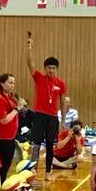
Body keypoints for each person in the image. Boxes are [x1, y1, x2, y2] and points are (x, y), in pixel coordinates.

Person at [26, 35, 67, 177]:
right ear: (45, 68)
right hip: (39, 115)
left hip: (53, 117)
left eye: (54, 68)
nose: (51, 70)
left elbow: (62, 102)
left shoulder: (60, 83)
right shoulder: (39, 78)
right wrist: (29, 46)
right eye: (49, 68)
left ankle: (48, 171)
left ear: (57, 69)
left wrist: (63, 119)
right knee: (36, 144)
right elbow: (29, 62)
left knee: (50, 145)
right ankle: (33, 169)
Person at [0, 73, 23, 182]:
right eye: (10, 83)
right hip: (2, 139)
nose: (12, 85)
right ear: (2, 84)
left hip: (10, 138)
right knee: (1, 168)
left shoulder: (10, 97)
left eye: (13, 83)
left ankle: (2, 186)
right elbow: (4, 120)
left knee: (6, 167)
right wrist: (17, 109)